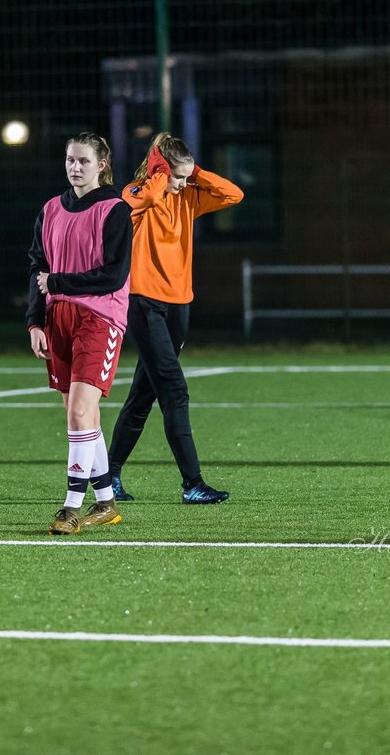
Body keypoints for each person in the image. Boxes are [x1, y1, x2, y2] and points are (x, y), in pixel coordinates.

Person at [108, 132, 243, 504]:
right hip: (143, 303)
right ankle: (192, 483)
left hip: (179, 305)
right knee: (174, 390)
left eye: (187, 177)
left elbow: (233, 193)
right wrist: (160, 173)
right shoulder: (135, 194)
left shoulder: (188, 196)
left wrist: (195, 172)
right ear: (160, 169)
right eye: (176, 176)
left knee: (143, 394)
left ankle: (108, 475)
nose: (183, 184)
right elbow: (151, 194)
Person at [26, 132, 133, 535]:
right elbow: (37, 269)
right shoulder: (51, 209)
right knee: (83, 415)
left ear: (102, 164)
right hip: (58, 319)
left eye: (83, 161)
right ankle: (105, 501)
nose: (75, 167)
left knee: (78, 412)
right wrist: (35, 321)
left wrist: (60, 283)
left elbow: (113, 275)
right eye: (70, 159)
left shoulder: (115, 210)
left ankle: (71, 506)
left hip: (100, 319)